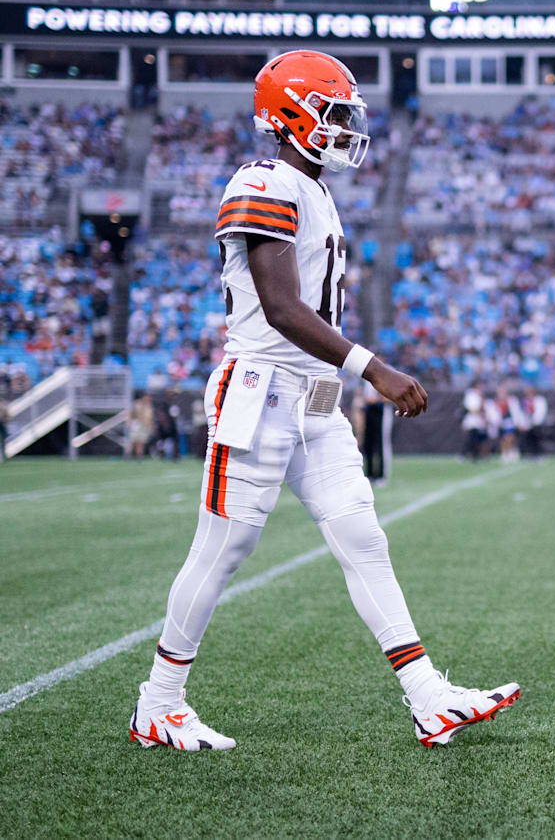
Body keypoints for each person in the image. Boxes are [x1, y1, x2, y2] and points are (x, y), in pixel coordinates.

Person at [129, 50, 519, 753]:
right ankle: (157, 704)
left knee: (364, 538)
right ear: (289, 115)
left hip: (314, 401)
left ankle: (428, 697)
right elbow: (280, 308)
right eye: (334, 112)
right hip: (258, 392)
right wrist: (375, 368)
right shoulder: (264, 178)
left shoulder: (315, 190)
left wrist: (353, 376)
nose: (345, 127)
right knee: (223, 550)